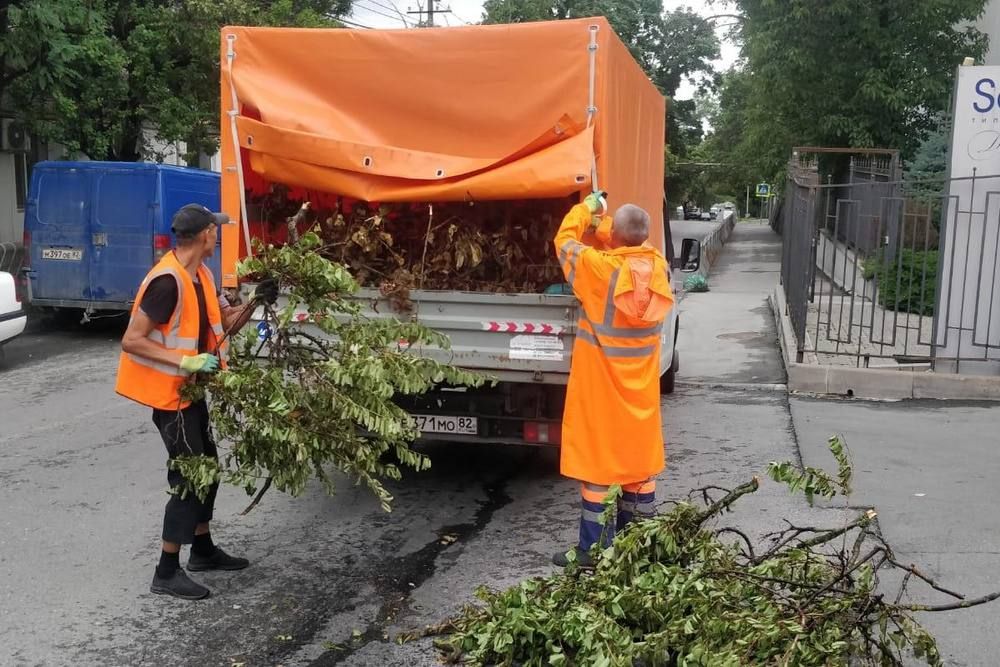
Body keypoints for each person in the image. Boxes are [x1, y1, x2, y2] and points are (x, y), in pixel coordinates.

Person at [116, 204, 278, 600]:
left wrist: (256, 300)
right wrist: (185, 360)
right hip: (169, 396)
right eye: (216, 230)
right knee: (190, 477)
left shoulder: (201, 275)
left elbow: (228, 325)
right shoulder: (167, 282)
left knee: (210, 468)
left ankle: (202, 550)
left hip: (191, 392)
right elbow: (132, 339)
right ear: (205, 234)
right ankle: (166, 571)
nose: (219, 235)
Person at [552, 192, 674, 567]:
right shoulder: (658, 268)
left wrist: (587, 211)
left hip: (603, 394)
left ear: (617, 237)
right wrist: (608, 226)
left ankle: (594, 553)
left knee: (599, 475)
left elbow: (564, 241)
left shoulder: (599, 270)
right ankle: (638, 552)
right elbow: (634, 243)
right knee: (639, 475)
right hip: (640, 400)